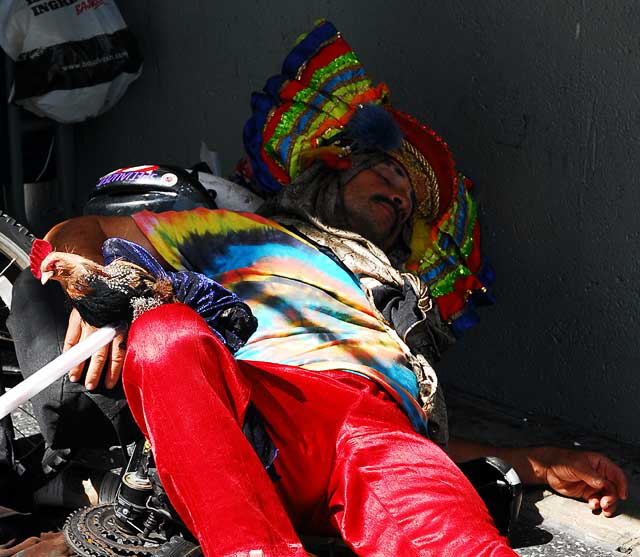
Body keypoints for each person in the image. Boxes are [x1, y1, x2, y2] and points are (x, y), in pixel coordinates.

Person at [6, 20, 627, 557]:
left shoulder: (396, 307)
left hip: (380, 433)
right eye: (386, 167)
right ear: (330, 165)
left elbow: (429, 447)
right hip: (257, 412)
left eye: (408, 201)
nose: (399, 190)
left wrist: (539, 462)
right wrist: (93, 285)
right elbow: (79, 229)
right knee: (165, 334)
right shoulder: (239, 231)